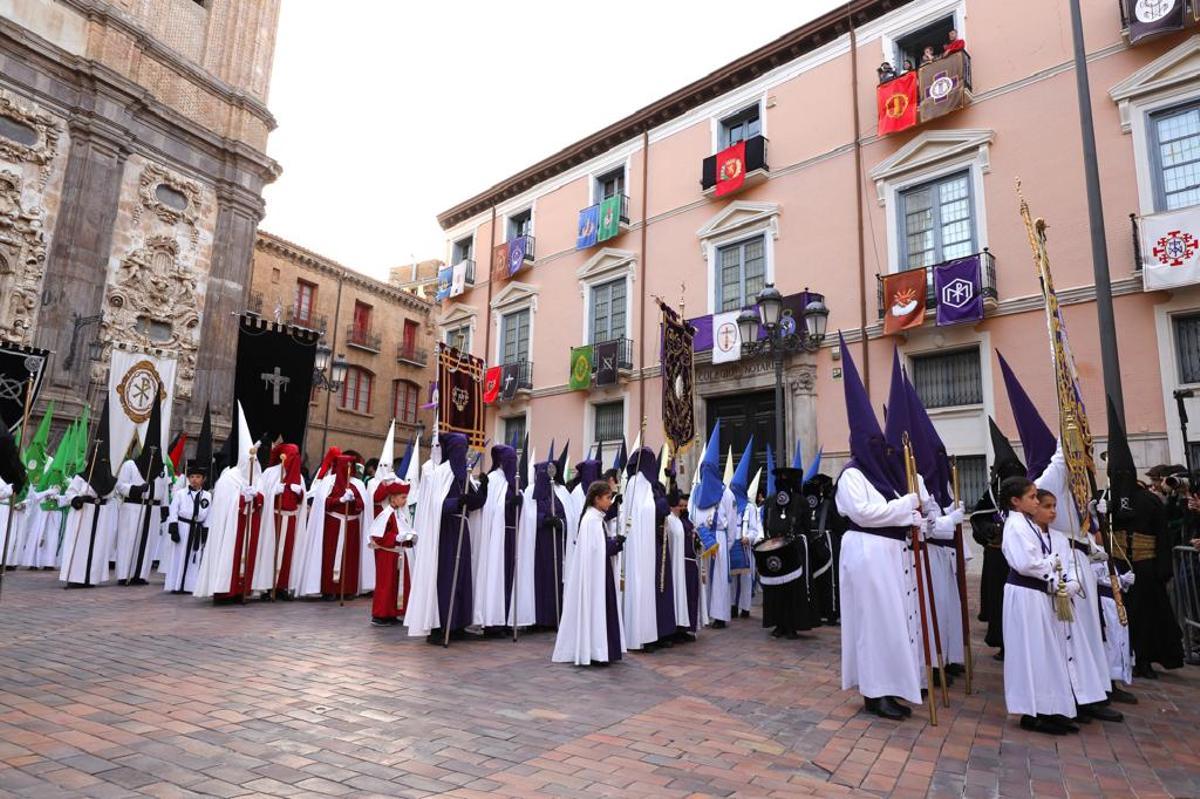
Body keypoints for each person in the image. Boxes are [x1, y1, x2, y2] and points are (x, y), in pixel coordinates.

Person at [835, 335, 923, 721]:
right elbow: (866, 513)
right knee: (873, 621)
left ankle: (893, 685)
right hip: (867, 552)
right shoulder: (851, 476)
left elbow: (895, 509)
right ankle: (874, 691)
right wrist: (905, 507)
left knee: (893, 620)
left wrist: (912, 511)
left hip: (889, 555)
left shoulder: (884, 477)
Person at [1105, 399, 1184, 679]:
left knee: (1149, 615)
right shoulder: (1107, 501)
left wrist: (1163, 568)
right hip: (1117, 567)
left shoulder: (1150, 501)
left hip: (1145, 567)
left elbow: (1162, 537)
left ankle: (1146, 659)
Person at [1000, 478, 1078, 735]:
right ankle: (1030, 711)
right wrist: (1051, 562)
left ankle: (1049, 705)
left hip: (1037, 594)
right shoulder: (1015, 526)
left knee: (1044, 651)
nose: (1036, 501)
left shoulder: (1027, 525)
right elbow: (1025, 564)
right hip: (1024, 595)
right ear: (1016, 501)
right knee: (1029, 652)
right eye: (1032, 497)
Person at [406, 432, 487, 644]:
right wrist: (456, 503)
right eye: (459, 449)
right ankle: (441, 624)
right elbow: (433, 506)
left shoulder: (465, 475)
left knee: (462, 577)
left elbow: (474, 502)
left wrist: (481, 493)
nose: (463, 453)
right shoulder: (439, 474)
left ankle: (459, 623)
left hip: (463, 528)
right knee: (446, 577)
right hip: (445, 533)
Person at [193, 405, 264, 603]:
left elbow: (261, 501)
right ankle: (224, 590)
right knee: (227, 558)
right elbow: (224, 506)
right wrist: (242, 499)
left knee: (244, 559)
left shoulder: (256, 478)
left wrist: (256, 496)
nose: (251, 464)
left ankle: (240, 590)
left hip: (248, 528)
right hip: (229, 531)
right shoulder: (229, 478)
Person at [553, 479, 626, 666]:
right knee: (598, 607)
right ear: (596, 499)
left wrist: (614, 543)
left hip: (601, 572)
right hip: (596, 576)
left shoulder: (595, 519)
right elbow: (598, 550)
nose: (610, 502)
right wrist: (615, 544)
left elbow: (598, 548)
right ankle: (596, 650)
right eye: (607, 498)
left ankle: (603, 649)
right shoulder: (591, 520)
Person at [970, 418, 1026, 660]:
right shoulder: (992, 494)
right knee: (999, 601)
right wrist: (989, 529)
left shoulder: (1028, 491)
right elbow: (977, 517)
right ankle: (1002, 642)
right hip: (997, 555)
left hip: (1021, 557)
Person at [692, 423, 734, 629]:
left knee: (718, 579)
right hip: (702, 539)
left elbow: (732, 523)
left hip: (719, 539)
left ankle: (720, 615)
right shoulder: (696, 492)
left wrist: (728, 542)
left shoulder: (727, 494)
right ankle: (705, 613)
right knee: (705, 578)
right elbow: (693, 513)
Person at [476, 444, 520, 634]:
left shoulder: (513, 481)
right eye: (510, 461)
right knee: (496, 574)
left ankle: (506, 618)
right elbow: (490, 510)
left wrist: (520, 502)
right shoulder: (493, 479)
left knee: (510, 576)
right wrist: (510, 504)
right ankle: (493, 620)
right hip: (497, 536)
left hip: (511, 534)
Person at [254, 442, 306, 598]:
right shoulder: (270, 473)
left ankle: (283, 585)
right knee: (271, 551)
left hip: (290, 520)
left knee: (288, 553)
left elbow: (301, 501)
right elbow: (262, 492)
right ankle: (267, 586)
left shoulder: (299, 476)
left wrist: (300, 494)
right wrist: (274, 492)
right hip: (273, 517)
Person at [368, 479, 414, 626]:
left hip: (397, 554)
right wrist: (395, 537)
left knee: (396, 584)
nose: (405, 500)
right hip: (387, 555)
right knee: (386, 584)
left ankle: (392, 612)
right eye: (403, 497)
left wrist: (409, 538)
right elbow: (378, 536)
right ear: (393, 498)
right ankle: (380, 614)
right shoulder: (386, 514)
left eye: (406, 497)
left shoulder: (399, 514)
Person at [163, 464, 210, 594]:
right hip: (183, 527)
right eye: (192, 477)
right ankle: (176, 584)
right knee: (179, 556)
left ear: (203, 479)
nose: (195, 479)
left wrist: (206, 531)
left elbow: (209, 515)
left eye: (198, 477)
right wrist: (173, 528)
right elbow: (173, 511)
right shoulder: (180, 494)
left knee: (193, 558)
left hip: (197, 529)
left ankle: (190, 586)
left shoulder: (207, 496)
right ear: (188, 478)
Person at [728, 441, 756, 621]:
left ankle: (745, 607)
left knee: (745, 579)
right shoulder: (730, 505)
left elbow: (755, 528)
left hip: (744, 545)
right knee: (731, 578)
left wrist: (749, 538)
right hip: (732, 543)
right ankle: (731, 605)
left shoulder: (750, 508)